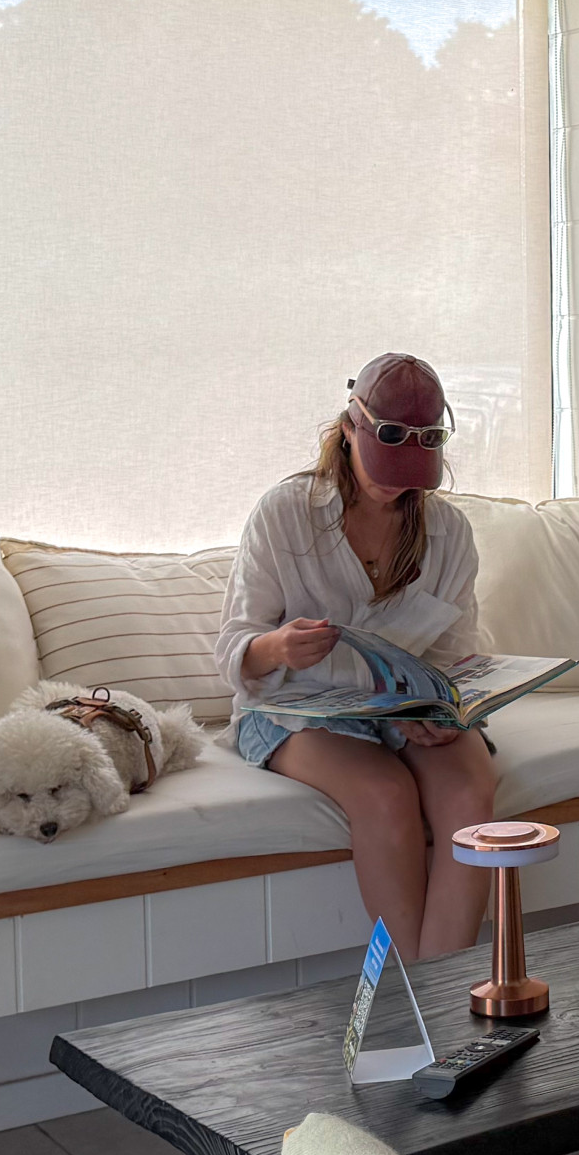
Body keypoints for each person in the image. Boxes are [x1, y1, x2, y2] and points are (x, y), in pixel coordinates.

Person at [216, 353, 497, 960]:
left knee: (471, 795)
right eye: (385, 463)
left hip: (404, 711)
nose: (396, 484)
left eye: (412, 471)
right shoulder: (285, 514)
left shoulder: (449, 534)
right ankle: (422, 994)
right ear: (348, 430)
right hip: (297, 708)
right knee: (385, 795)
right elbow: (235, 648)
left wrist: (438, 710)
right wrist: (278, 647)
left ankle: (436, 993)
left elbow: (454, 658)